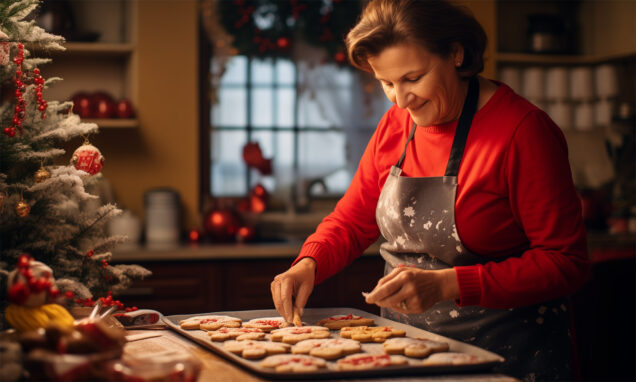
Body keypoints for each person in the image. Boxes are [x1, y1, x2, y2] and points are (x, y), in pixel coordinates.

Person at [270, 0, 590, 380]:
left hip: (507, 360)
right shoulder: (395, 124)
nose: (401, 100)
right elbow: (353, 219)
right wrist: (310, 262)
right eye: (386, 83)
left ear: (456, 53)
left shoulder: (523, 132)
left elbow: (565, 262)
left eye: (413, 78)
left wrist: (450, 284)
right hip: (408, 357)